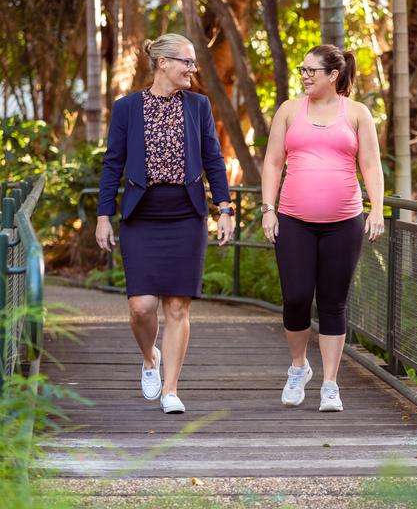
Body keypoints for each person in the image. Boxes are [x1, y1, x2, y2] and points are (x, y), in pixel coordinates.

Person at [95, 33, 235, 415]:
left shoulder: (198, 105)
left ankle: (171, 389)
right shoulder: (127, 109)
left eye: (193, 62)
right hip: (142, 215)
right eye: (187, 62)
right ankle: (149, 357)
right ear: (163, 63)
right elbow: (113, 164)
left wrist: (225, 207)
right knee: (141, 307)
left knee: (177, 307)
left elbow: (213, 158)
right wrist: (103, 215)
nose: (193, 69)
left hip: (186, 215)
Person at [260, 44, 385, 412]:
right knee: (296, 297)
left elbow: (372, 166)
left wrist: (375, 209)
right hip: (294, 220)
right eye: (302, 69)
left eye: (311, 70)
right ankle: (299, 367)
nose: (304, 76)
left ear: (333, 75)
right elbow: (272, 163)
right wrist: (269, 210)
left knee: (333, 302)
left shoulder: (358, 114)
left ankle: (330, 383)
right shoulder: (288, 110)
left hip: (344, 223)